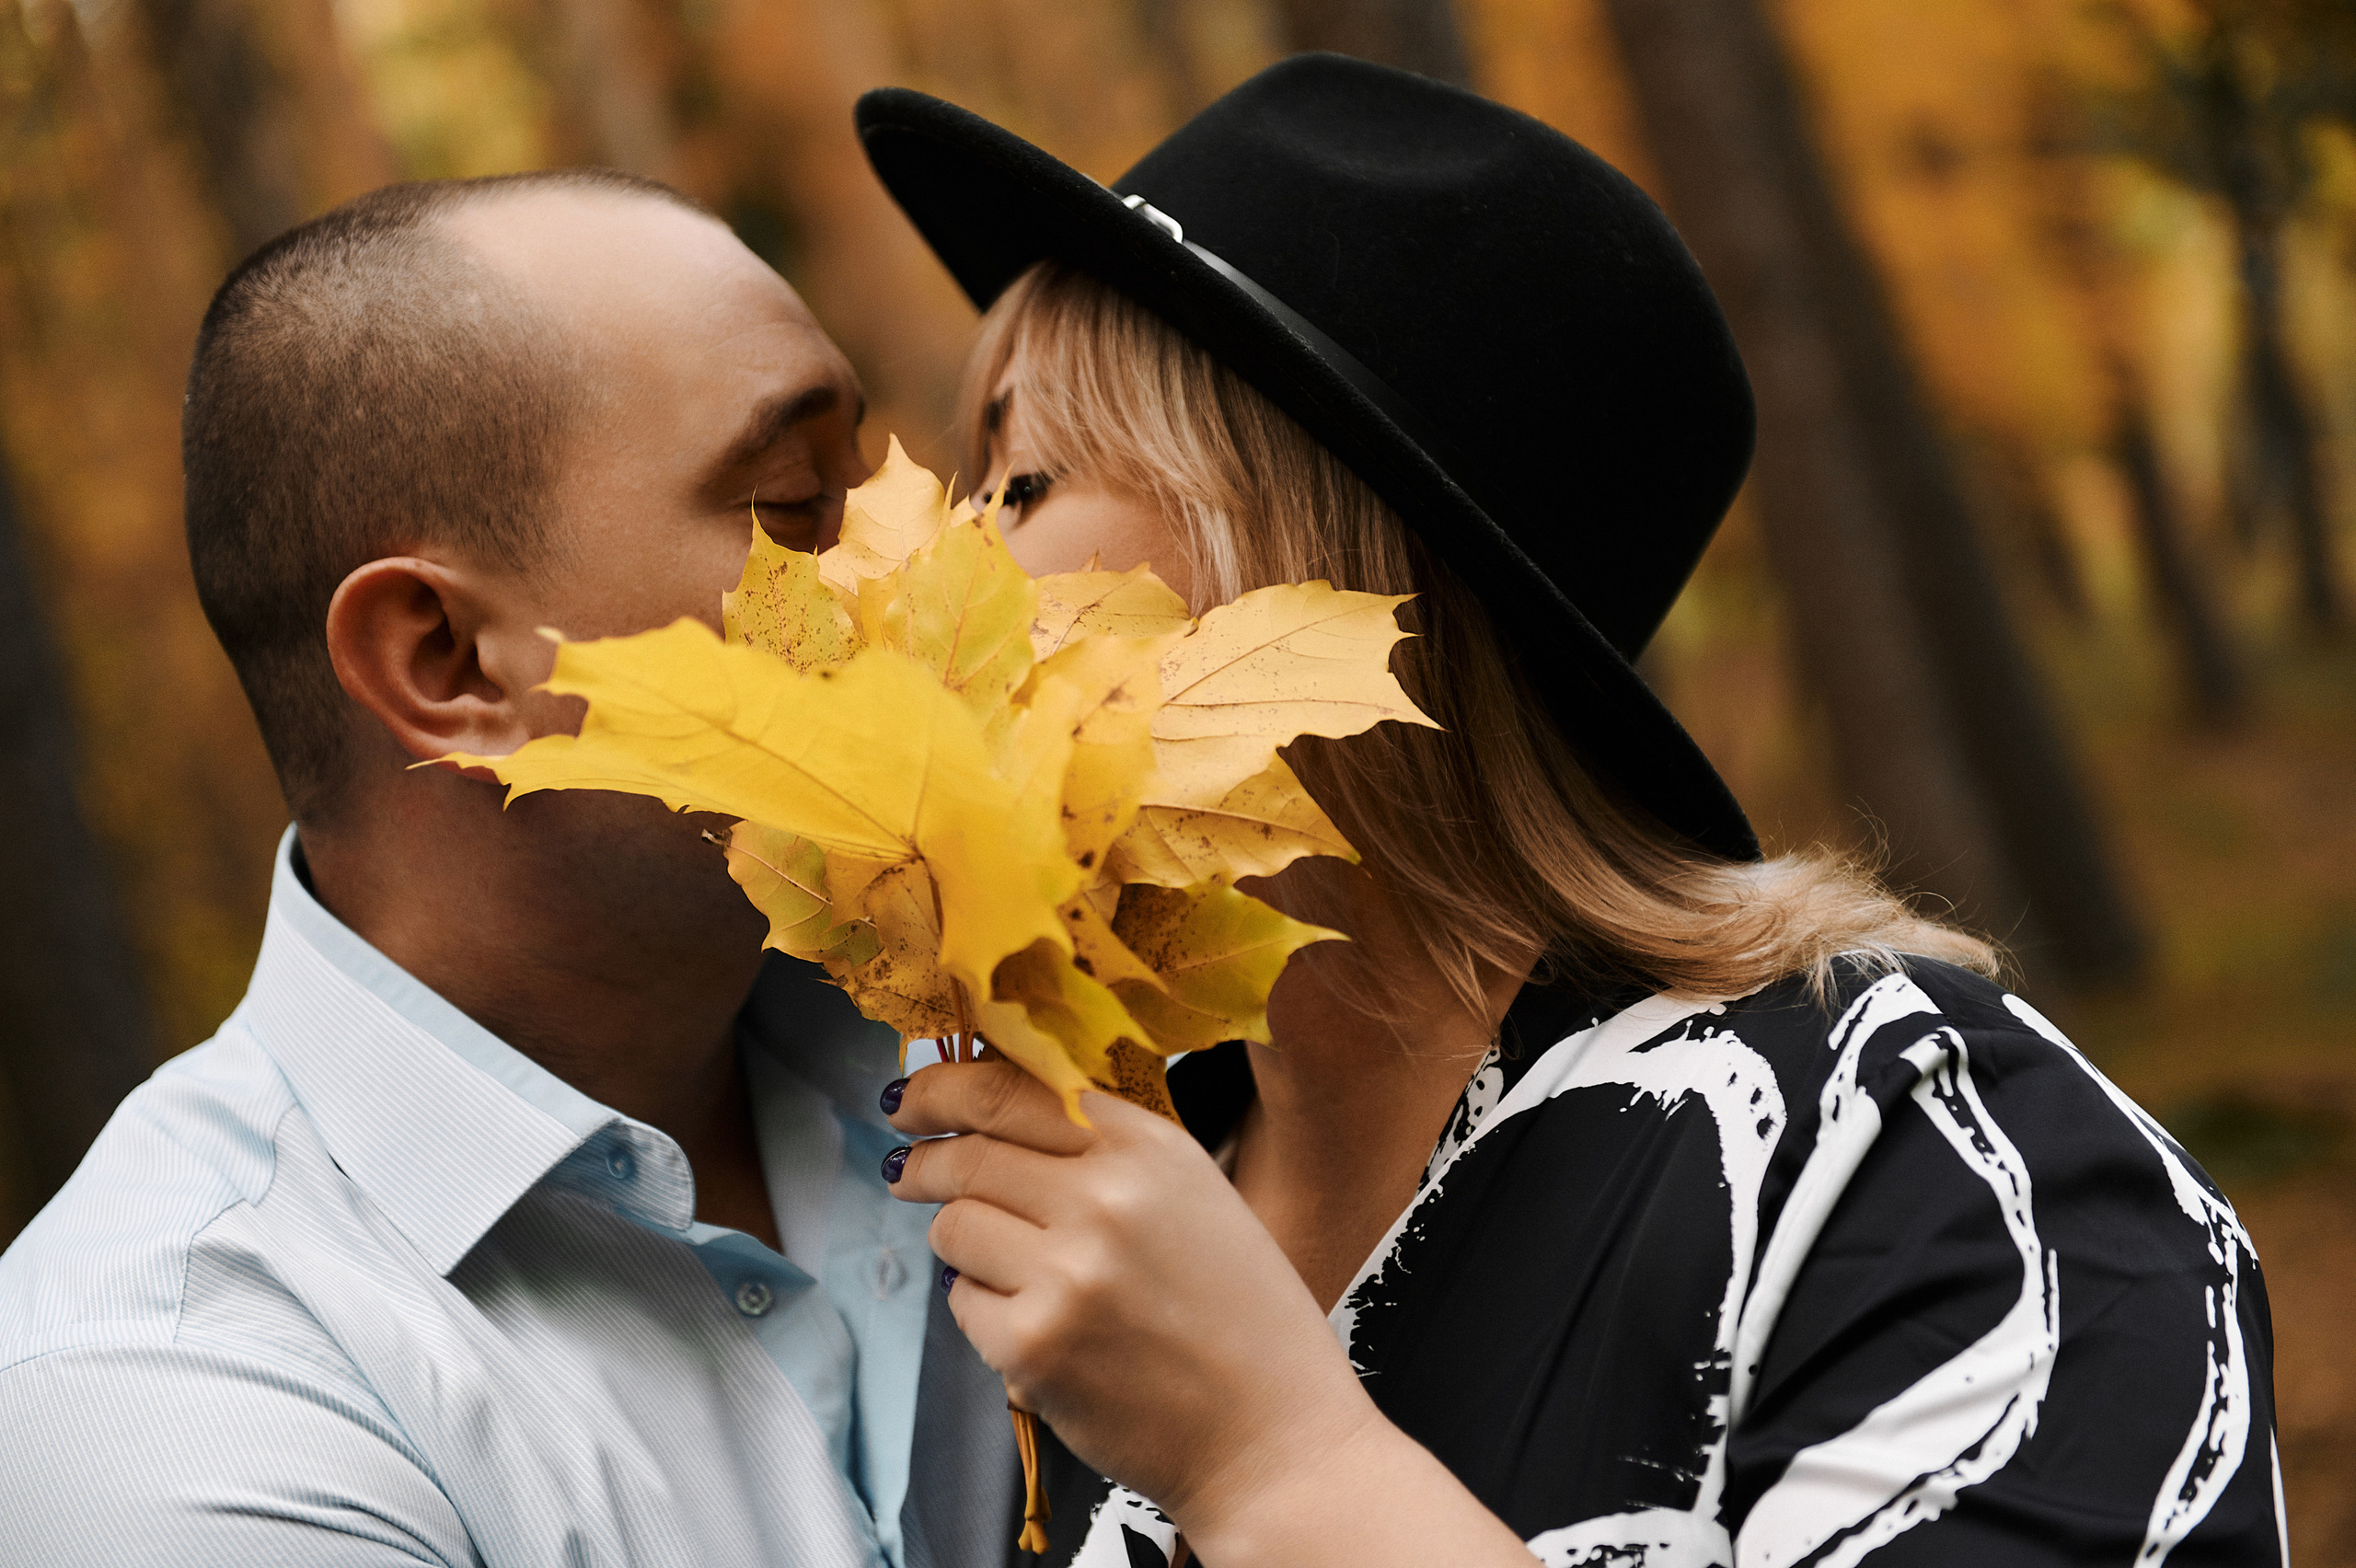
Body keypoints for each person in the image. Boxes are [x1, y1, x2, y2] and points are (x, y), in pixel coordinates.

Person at [854, 54, 2288, 1567]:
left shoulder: (1900, 1144)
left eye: (1022, 482)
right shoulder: (1073, 1238)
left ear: (1312, 577)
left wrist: (1270, 1463)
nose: (945, 572)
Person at [0, 170, 1019, 1567]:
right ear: (449, 664)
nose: (913, 572)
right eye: (796, 510)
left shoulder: (1043, 1003)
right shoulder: (168, 1400)